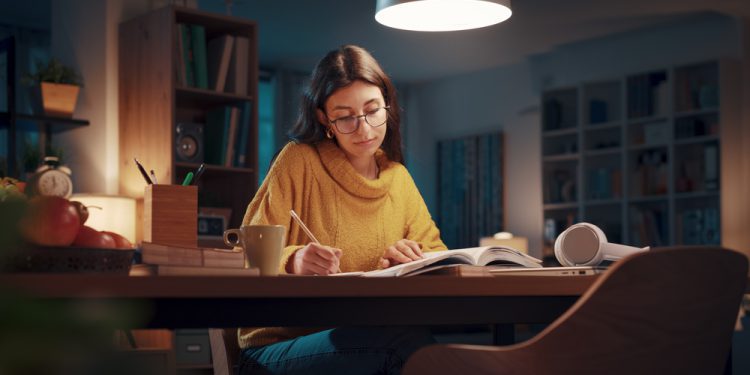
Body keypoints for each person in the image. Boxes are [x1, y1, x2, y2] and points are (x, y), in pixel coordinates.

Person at [238, 44, 446, 374]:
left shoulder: (398, 179)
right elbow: (244, 254)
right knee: (405, 347)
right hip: (275, 349)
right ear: (324, 118)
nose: (363, 128)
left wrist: (413, 256)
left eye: (373, 110)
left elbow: (438, 255)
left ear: (388, 106)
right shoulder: (299, 160)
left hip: (370, 341)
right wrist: (293, 260)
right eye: (346, 116)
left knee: (416, 345)